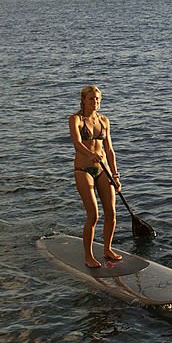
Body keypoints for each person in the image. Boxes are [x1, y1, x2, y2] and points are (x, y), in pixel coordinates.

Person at [69, 85, 123, 268]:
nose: (95, 102)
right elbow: (77, 143)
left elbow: (109, 150)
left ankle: (107, 249)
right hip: (83, 171)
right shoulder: (76, 119)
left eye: (98, 99)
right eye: (91, 98)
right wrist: (89, 154)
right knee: (93, 215)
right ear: (83, 100)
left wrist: (115, 175)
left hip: (103, 170)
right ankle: (88, 256)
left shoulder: (104, 121)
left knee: (111, 213)